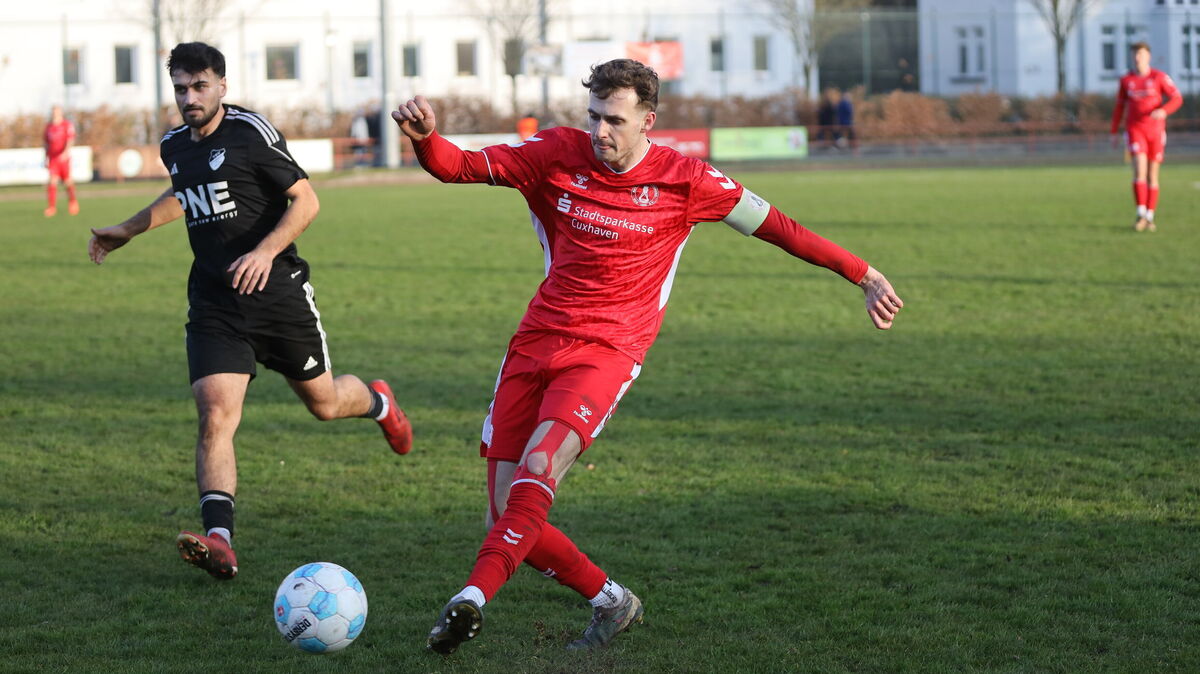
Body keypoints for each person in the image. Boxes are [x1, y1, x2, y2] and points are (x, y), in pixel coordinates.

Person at [391, 58, 903, 654]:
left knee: (539, 466)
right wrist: (426, 138)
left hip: (608, 352)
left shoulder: (688, 181)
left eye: (613, 120)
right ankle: (612, 602)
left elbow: (779, 228)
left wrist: (862, 274)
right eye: (593, 117)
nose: (599, 132)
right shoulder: (554, 153)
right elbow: (460, 167)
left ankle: (471, 598)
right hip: (535, 342)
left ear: (647, 121)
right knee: (504, 517)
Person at [87, 42, 414, 581]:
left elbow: (305, 200)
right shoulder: (175, 144)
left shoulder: (250, 134)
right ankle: (220, 540)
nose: (190, 98)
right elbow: (185, 191)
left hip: (277, 296)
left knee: (326, 404)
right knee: (214, 414)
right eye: (181, 89)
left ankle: (378, 402)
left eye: (200, 86)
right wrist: (128, 229)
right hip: (215, 302)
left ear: (222, 85)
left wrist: (264, 252)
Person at [1110, 41, 1181, 232]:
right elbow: (1119, 107)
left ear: (1148, 56)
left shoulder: (1159, 77)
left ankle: (1150, 215)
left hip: (1156, 131)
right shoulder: (1126, 81)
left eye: (1140, 54)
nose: (1137, 57)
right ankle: (1140, 214)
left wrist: (1164, 111)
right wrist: (1114, 131)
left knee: (1152, 175)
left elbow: (1177, 98)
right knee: (1139, 171)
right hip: (1135, 130)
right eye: (1134, 54)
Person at [44, 105, 79, 217]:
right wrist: (46, 157)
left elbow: (70, 140)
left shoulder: (66, 125)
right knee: (52, 181)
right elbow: (45, 143)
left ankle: (73, 201)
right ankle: (52, 207)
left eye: (57, 111)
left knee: (68, 181)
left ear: (61, 113)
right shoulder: (48, 127)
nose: (55, 113)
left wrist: (66, 152)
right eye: (53, 111)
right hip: (53, 158)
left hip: (63, 158)